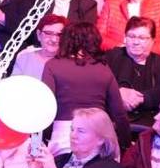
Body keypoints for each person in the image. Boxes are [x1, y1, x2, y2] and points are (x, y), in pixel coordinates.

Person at [42, 22, 131, 152]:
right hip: (98, 134)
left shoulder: (52, 65)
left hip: (64, 136)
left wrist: (42, 141)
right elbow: (119, 113)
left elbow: (45, 108)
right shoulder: (103, 68)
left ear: (65, 40)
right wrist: (126, 144)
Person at [104, 16, 160, 128]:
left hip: (149, 123)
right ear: (125, 38)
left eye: (142, 38)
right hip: (114, 122)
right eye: (131, 36)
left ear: (152, 40)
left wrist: (143, 98)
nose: (136, 42)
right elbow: (98, 84)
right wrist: (118, 93)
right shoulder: (111, 57)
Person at [11, 15, 67, 80]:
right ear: (38, 34)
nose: (54, 39)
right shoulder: (24, 57)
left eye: (59, 35)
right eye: (48, 33)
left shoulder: (70, 62)